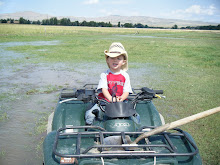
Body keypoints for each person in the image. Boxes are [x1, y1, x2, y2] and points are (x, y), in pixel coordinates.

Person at [85, 42, 133, 125]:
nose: (115, 60)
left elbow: (126, 91)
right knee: (90, 114)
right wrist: (111, 99)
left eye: (118, 58)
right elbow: (104, 89)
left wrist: (121, 98)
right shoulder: (105, 74)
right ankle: (90, 129)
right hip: (105, 101)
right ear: (107, 60)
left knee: (135, 116)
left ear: (124, 62)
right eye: (112, 58)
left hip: (121, 103)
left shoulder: (125, 75)